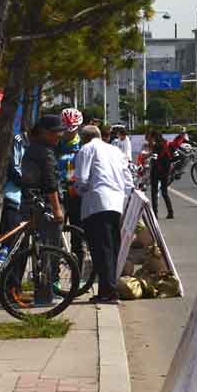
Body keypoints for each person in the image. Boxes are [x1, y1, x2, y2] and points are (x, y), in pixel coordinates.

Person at [74, 125, 133, 304]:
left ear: (84, 138)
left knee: (101, 250)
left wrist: (77, 190)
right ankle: (107, 289)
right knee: (112, 248)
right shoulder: (115, 151)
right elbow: (128, 181)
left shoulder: (86, 149)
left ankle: (108, 292)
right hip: (116, 203)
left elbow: (81, 179)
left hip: (97, 203)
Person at [20, 114, 66, 304]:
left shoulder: (34, 148)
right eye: (56, 132)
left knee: (40, 250)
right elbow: (50, 184)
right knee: (49, 251)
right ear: (44, 132)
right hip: (43, 206)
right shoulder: (44, 153)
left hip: (31, 203)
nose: (59, 136)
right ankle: (45, 295)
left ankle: (43, 292)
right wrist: (57, 209)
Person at [56, 108, 85, 274]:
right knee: (56, 236)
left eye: (72, 130)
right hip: (57, 194)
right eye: (65, 129)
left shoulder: (83, 145)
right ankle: (54, 275)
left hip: (76, 195)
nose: (68, 133)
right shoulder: (55, 144)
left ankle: (78, 274)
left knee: (77, 236)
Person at [149, 131, 174, 219]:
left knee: (154, 193)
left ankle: (155, 214)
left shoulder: (156, 146)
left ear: (154, 137)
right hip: (166, 172)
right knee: (164, 192)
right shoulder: (169, 144)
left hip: (156, 172)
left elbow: (154, 159)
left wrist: (151, 168)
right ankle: (170, 212)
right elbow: (175, 157)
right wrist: (169, 164)